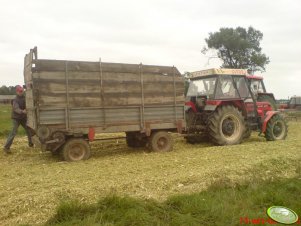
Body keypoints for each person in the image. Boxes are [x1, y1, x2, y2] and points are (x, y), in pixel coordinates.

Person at [3, 85, 33, 154]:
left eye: (22, 91)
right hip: (16, 118)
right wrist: (23, 111)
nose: (21, 92)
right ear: (17, 92)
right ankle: (6, 148)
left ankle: (31, 144)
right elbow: (16, 108)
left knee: (29, 130)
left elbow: (28, 105)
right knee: (13, 132)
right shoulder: (15, 99)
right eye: (20, 91)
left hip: (23, 118)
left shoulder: (25, 98)